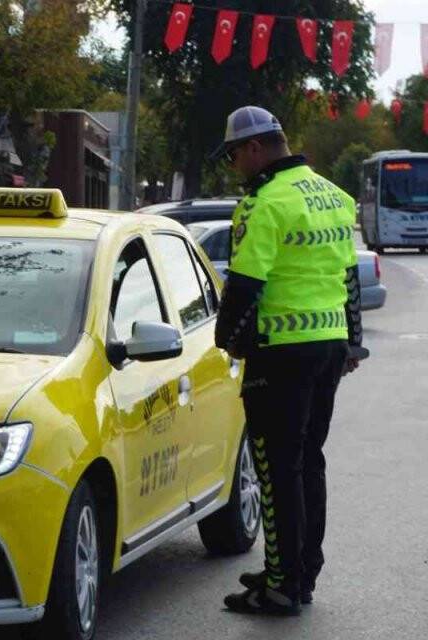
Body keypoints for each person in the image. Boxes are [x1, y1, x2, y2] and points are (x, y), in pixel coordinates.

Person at [212, 105, 363, 616]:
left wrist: (227, 339)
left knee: (277, 469)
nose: (235, 165)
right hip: (329, 347)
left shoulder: (263, 203)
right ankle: (301, 571)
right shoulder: (333, 196)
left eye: (234, 154)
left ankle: (280, 585)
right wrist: (353, 343)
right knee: (308, 461)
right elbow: (348, 279)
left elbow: (246, 285)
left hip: (279, 352)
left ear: (255, 148)